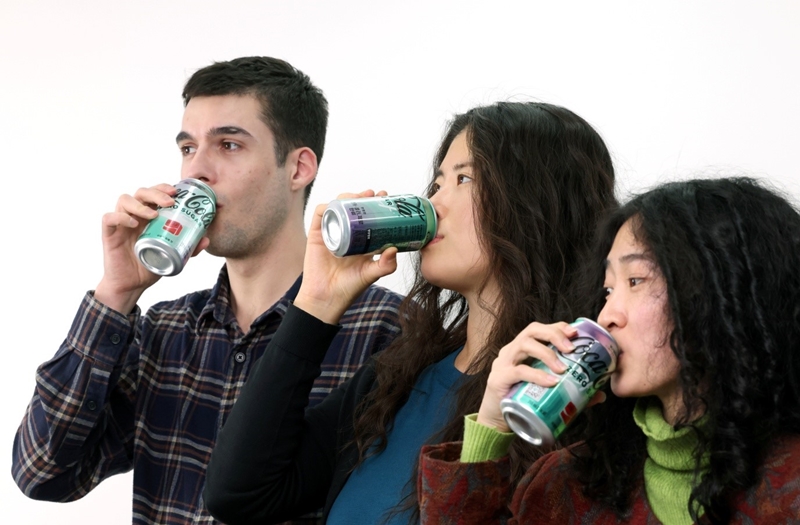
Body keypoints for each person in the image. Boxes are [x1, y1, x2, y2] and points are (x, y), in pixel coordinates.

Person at [11, 56, 403, 524]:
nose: (195, 172)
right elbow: (42, 471)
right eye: (187, 148)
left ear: (298, 168)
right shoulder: (165, 331)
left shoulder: (387, 331)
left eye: (229, 145)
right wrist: (115, 294)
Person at [202, 101, 617, 524]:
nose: (434, 203)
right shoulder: (396, 379)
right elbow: (239, 494)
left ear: (538, 203)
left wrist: (490, 432)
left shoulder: (563, 395)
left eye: (464, 178)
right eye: (437, 184)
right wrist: (316, 303)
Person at [417, 177, 800, 524]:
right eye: (607, 291)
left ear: (723, 293)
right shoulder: (564, 486)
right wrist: (491, 425)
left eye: (636, 280)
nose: (607, 315)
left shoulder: (789, 487)